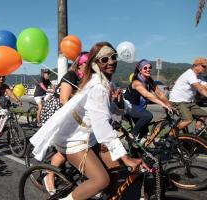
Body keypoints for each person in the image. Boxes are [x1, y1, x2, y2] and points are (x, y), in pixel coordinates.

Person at [30, 42, 143, 200]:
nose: (111, 62)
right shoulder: (98, 87)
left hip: (88, 136)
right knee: (101, 180)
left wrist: (119, 106)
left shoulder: (103, 82)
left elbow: (105, 114)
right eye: (104, 59)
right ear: (96, 63)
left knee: (116, 169)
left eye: (113, 57)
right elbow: (103, 127)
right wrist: (126, 157)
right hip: (74, 139)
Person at [42, 52, 88, 193]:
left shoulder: (87, 78)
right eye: (89, 63)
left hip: (73, 113)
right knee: (66, 149)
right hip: (59, 112)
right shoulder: (70, 76)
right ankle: (49, 177)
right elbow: (64, 100)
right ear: (80, 64)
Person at [123, 59, 172, 142]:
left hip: (139, 107)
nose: (148, 69)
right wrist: (162, 104)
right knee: (147, 116)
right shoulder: (136, 82)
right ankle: (132, 135)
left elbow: (160, 94)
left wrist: (169, 105)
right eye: (145, 68)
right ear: (140, 70)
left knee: (144, 134)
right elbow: (147, 94)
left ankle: (136, 151)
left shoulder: (149, 80)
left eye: (150, 67)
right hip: (129, 106)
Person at [169, 57, 207, 133]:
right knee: (188, 120)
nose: (205, 68)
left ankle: (196, 135)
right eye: (203, 66)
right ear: (196, 65)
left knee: (204, 115)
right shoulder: (190, 74)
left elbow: (205, 86)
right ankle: (170, 136)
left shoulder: (199, 76)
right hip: (178, 101)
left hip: (189, 102)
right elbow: (200, 89)